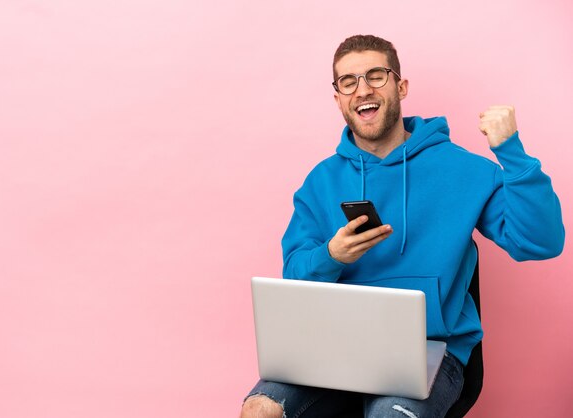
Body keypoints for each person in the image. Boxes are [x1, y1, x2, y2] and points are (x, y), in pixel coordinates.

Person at [240, 34, 565, 418]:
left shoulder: (464, 170)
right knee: (260, 409)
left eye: (376, 75)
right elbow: (292, 279)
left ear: (401, 86)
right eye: (349, 82)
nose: (362, 89)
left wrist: (511, 151)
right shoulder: (320, 181)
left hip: (428, 348)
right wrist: (331, 256)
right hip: (334, 346)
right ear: (338, 99)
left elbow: (541, 242)